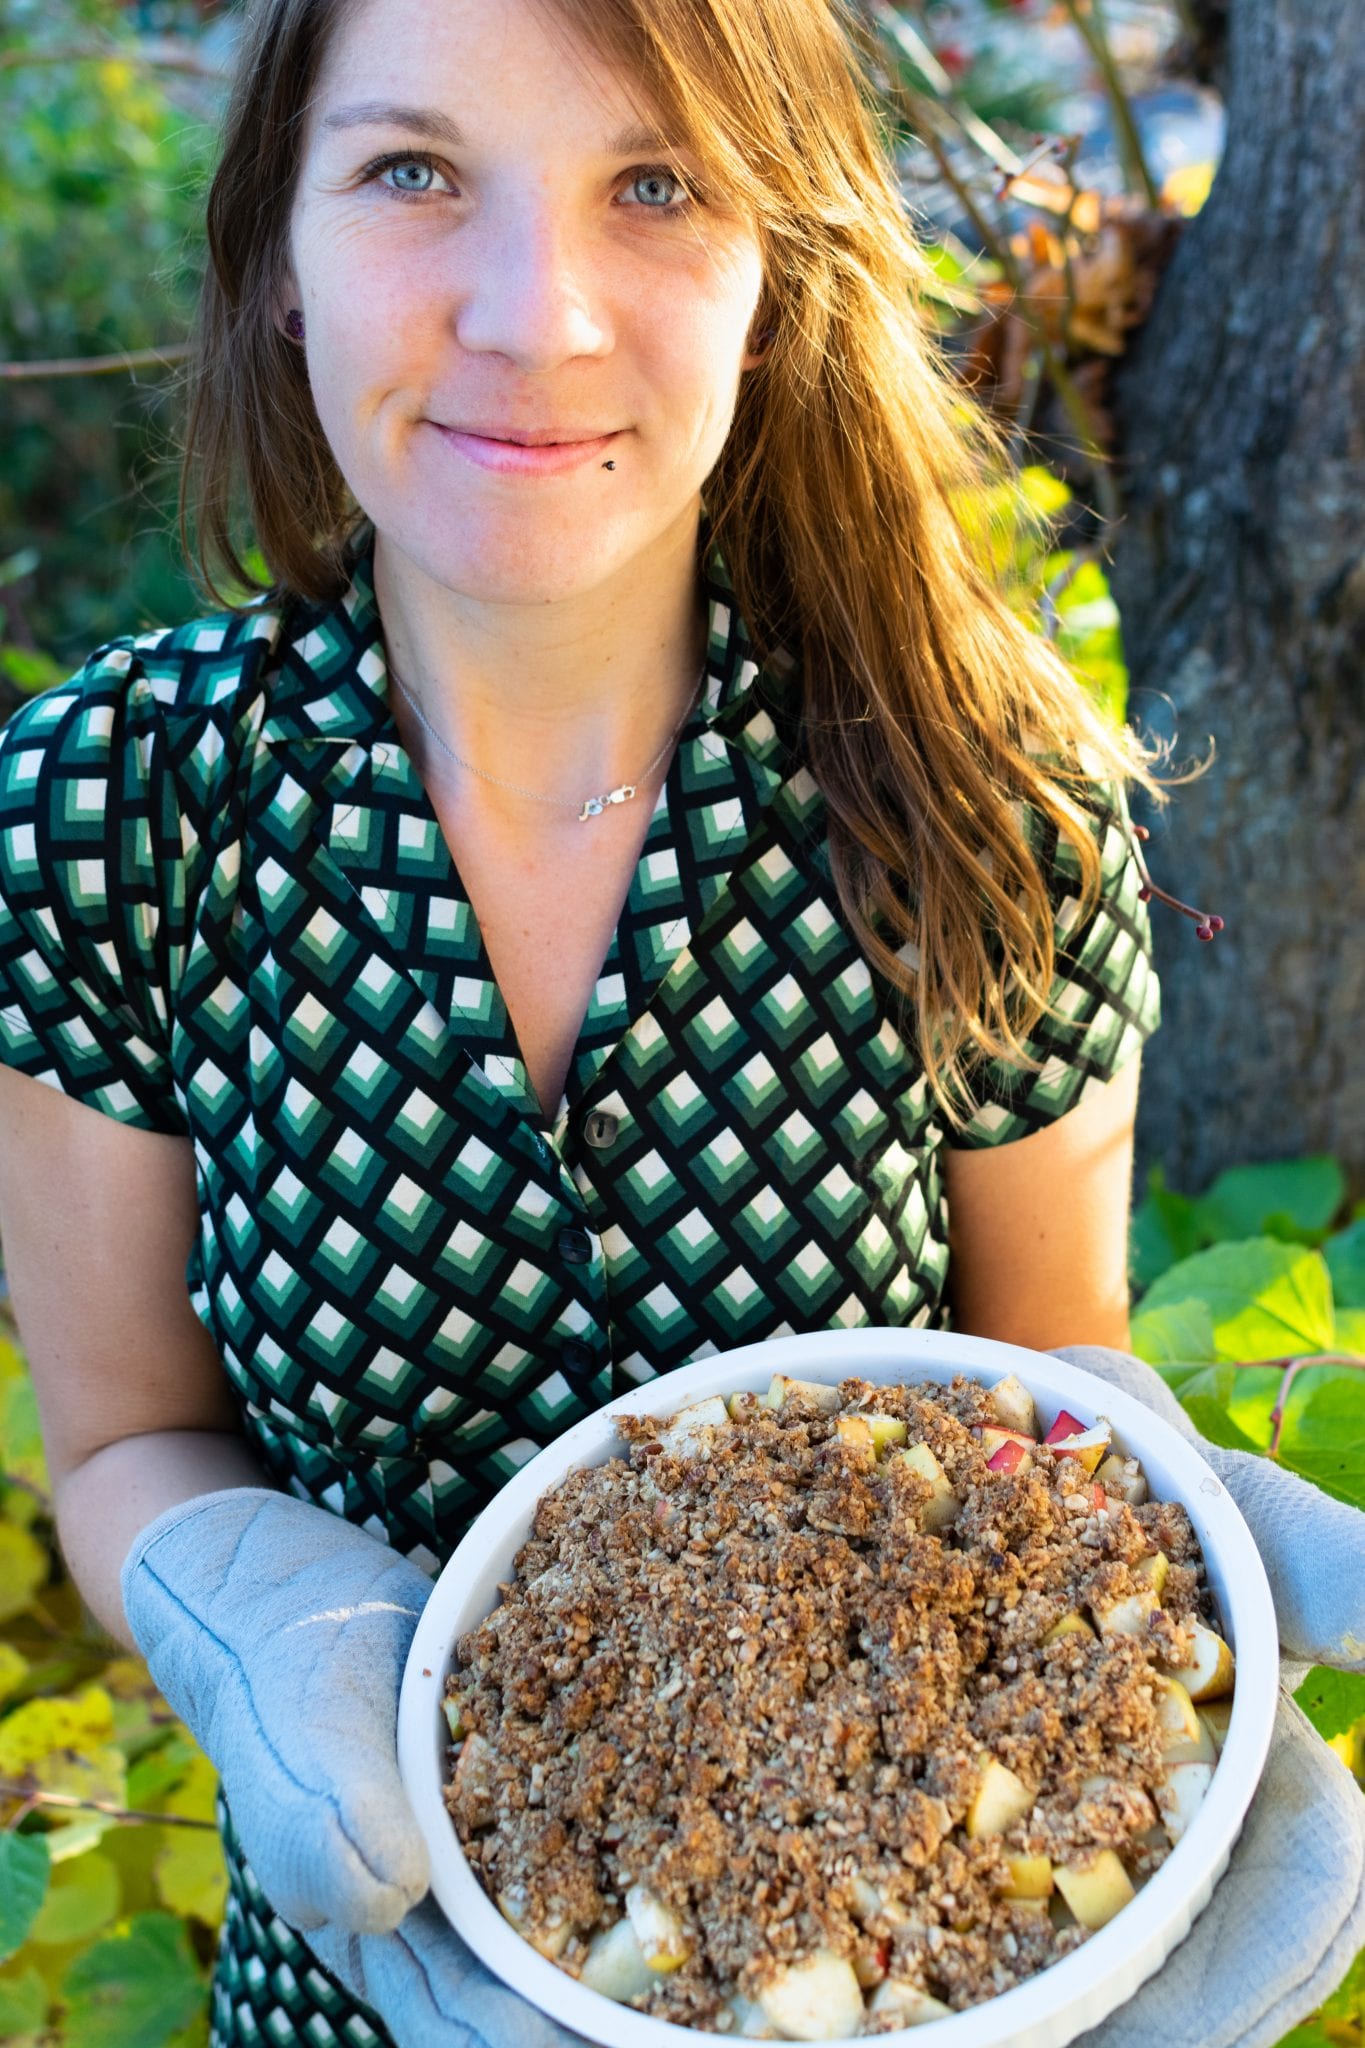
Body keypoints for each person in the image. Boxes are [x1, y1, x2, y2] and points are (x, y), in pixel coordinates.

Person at [0, 1, 1360, 2045]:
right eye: (411, 172)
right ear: (277, 252)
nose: (532, 314)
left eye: (653, 182)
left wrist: (1125, 1572)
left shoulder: (990, 810)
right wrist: (261, 1625)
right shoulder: (110, 814)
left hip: (914, 1964)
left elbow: (1040, 1362)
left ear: (773, 259)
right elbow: (120, 1438)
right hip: (377, 1969)